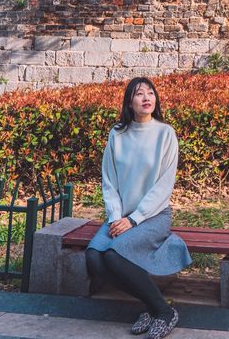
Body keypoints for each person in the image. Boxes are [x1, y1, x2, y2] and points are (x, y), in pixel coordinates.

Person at [85, 76, 191, 338]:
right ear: (129, 102)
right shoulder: (117, 134)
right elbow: (109, 181)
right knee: (94, 257)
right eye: (139, 94)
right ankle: (152, 306)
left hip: (153, 216)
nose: (146, 98)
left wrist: (134, 220)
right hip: (120, 216)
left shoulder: (165, 133)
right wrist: (116, 217)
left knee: (114, 254)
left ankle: (165, 312)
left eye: (151, 93)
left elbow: (163, 186)